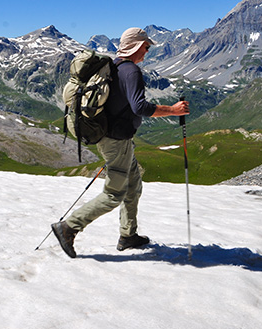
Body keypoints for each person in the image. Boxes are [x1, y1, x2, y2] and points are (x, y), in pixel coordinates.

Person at [52, 27, 189, 258]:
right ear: (135, 46)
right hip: (116, 142)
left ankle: (128, 235)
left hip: (115, 139)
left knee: (133, 186)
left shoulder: (113, 67)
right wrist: (173, 110)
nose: (147, 51)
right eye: (146, 46)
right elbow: (140, 107)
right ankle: (68, 227)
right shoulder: (131, 71)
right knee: (114, 194)